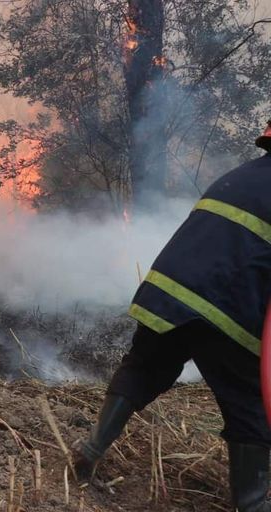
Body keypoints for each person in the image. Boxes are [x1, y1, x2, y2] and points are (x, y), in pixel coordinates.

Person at [73, 122, 271, 512]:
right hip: (226, 305)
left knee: (145, 366)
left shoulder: (242, 175)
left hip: (168, 292)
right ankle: (252, 503)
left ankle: (91, 448)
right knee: (248, 404)